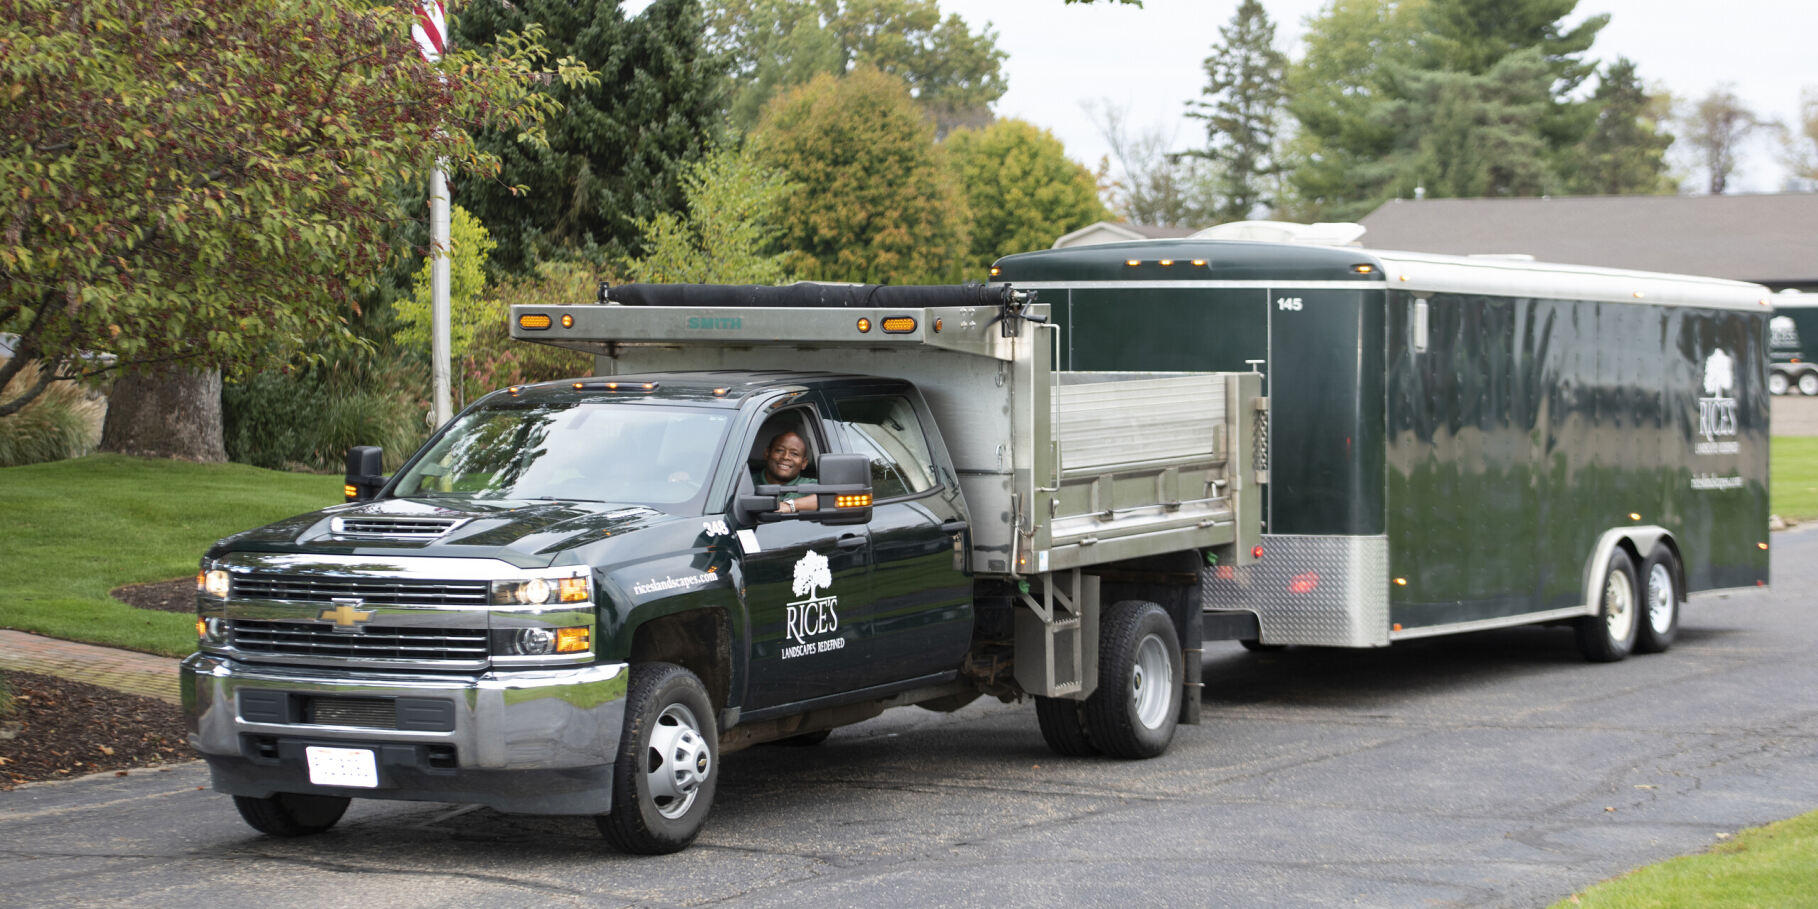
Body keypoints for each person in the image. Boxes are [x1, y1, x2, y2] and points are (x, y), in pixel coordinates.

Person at [755, 430, 818, 513]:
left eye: (794, 454)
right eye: (780, 450)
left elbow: (833, 498)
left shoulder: (810, 485)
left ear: (804, 463)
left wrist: (790, 505)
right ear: (767, 453)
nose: (785, 457)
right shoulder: (746, 482)